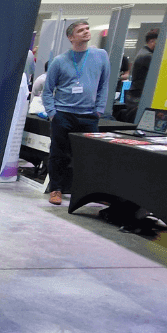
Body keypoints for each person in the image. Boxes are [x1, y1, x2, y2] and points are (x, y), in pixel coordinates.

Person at [41, 19, 110, 206]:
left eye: (87, 29)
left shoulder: (101, 56)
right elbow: (47, 90)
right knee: (58, 154)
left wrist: (99, 110)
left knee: (88, 155)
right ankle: (56, 189)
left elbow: (104, 85)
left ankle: (86, 191)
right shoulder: (59, 61)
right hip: (63, 114)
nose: (86, 32)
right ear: (71, 37)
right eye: (81, 30)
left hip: (89, 115)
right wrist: (52, 113)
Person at [124, 28, 160, 122]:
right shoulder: (148, 56)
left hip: (135, 96)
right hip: (138, 98)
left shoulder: (143, 52)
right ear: (152, 41)